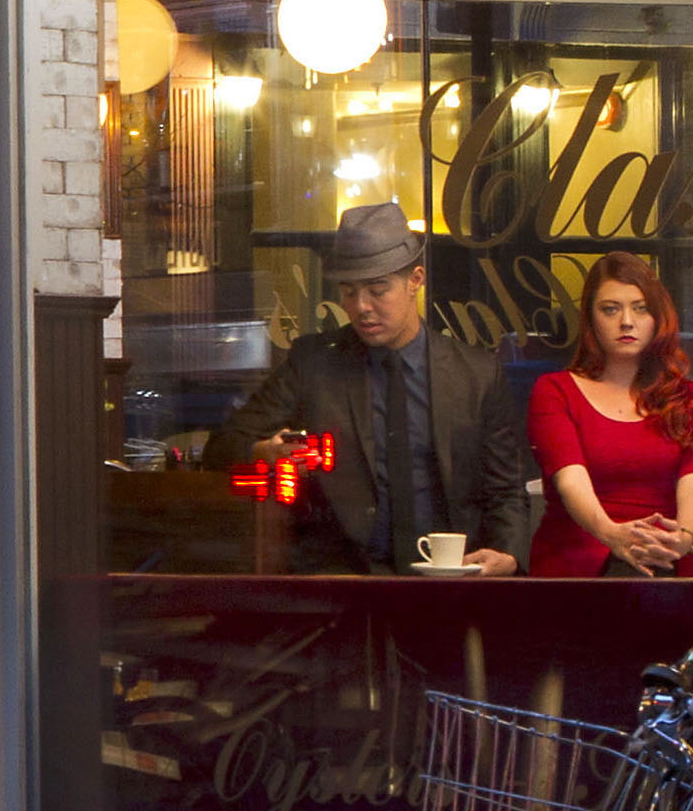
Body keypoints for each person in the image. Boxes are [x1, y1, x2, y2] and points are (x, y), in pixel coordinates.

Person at [205, 200, 536, 575]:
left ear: (415, 280)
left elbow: (506, 490)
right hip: (341, 579)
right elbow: (222, 447)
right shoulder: (314, 363)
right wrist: (262, 452)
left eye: (377, 290)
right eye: (349, 291)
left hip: (448, 578)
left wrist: (507, 554)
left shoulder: (475, 374)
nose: (361, 307)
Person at [527, 252, 693, 577]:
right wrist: (612, 535)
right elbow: (570, 480)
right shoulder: (555, 391)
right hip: (577, 568)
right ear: (591, 318)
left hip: (666, 567)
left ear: (657, 317)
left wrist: (683, 539)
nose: (627, 321)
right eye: (610, 309)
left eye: (640, 308)